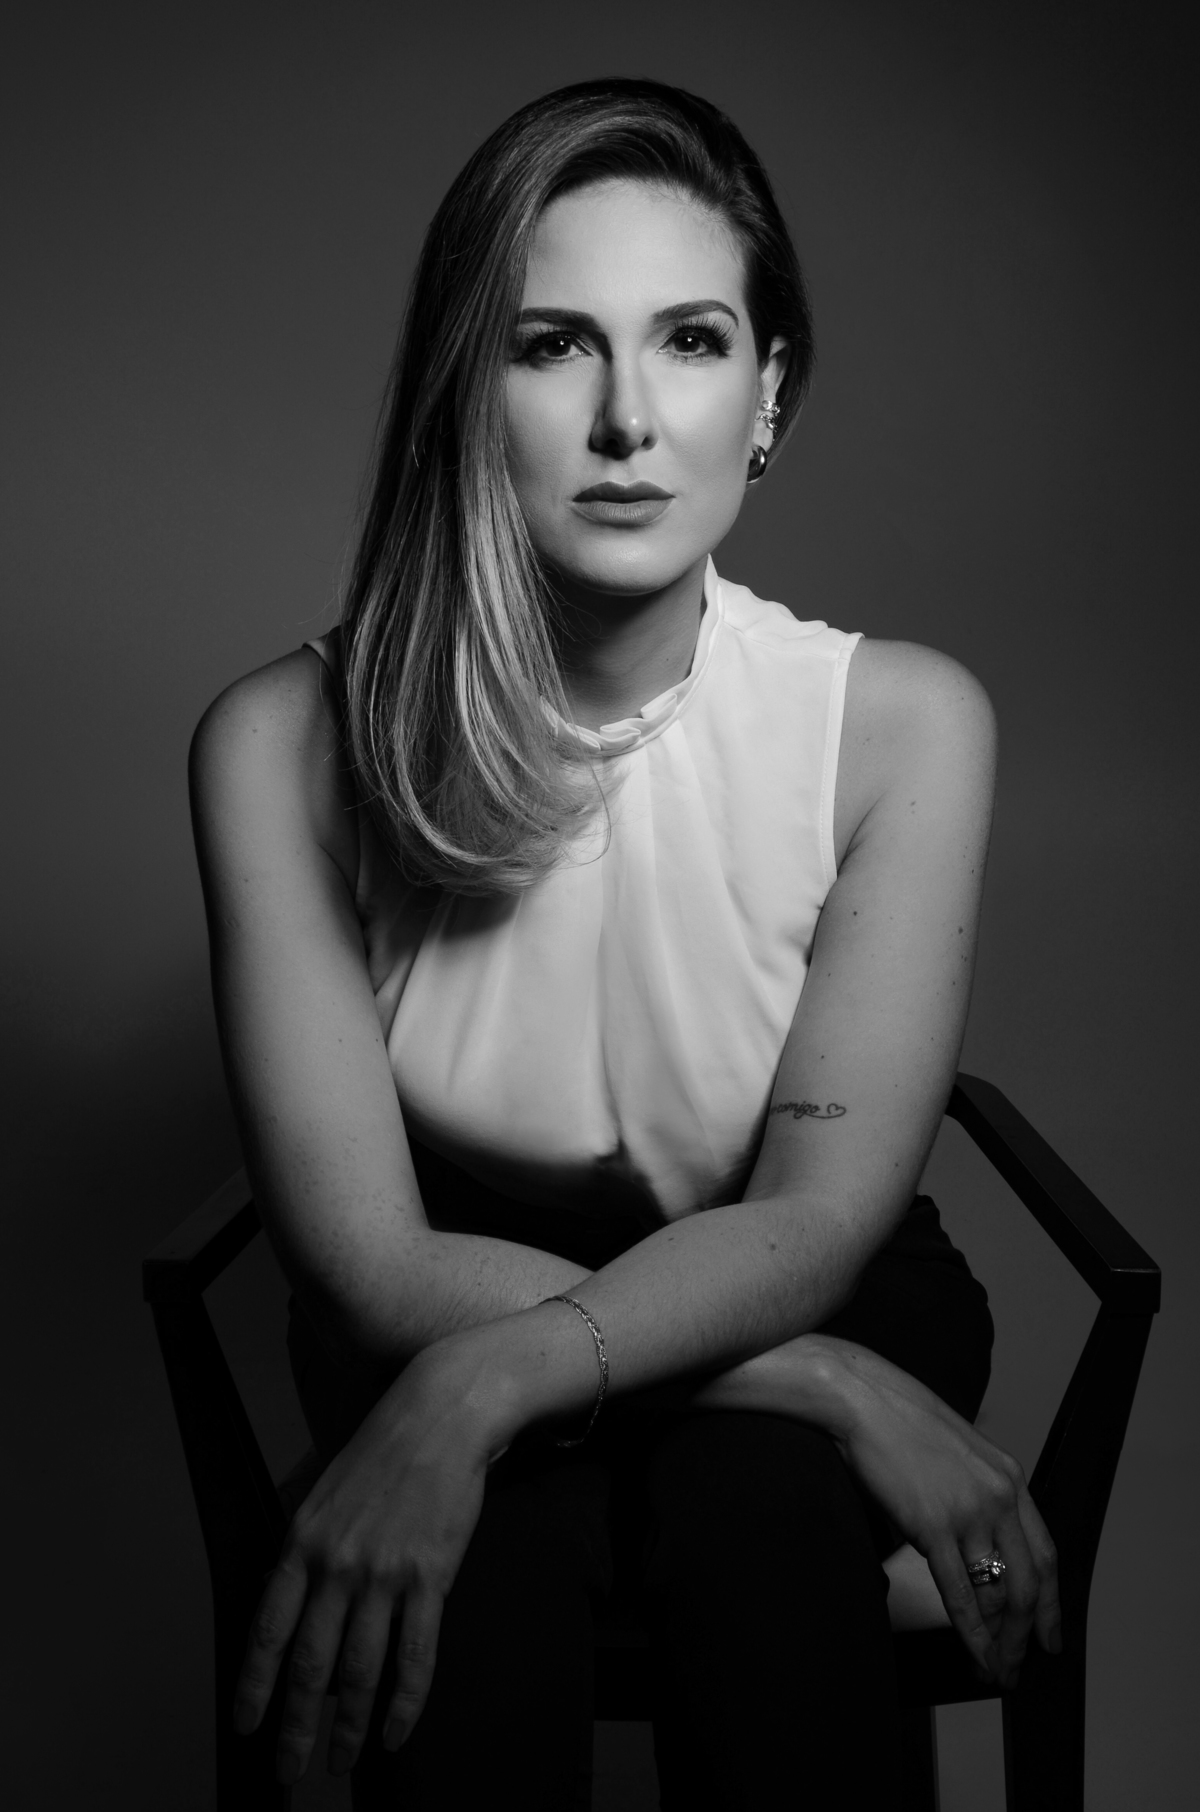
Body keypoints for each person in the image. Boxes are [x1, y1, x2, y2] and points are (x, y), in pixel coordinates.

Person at [189, 78, 1059, 1809]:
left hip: (800, 1274)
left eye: (690, 341)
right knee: (473, 1583)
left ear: (767, 394)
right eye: (551, 346)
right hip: (447, 1294)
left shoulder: (900, 724)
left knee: (758, 1532)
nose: (626, 421)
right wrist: (825, 1388)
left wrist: (501, 1385)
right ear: (468, 385)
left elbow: (814, 1224)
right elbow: (369, 1264)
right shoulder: (277, 745)